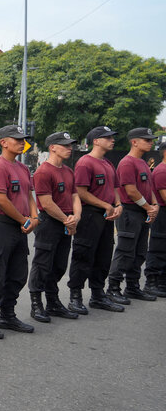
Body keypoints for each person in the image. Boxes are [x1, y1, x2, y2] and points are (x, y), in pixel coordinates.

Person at [0, 125, 38, 340]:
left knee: (18, 273)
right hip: (0, 225)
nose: (22, 143)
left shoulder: (22, 168)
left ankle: (7, 314)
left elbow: (29, 195)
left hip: (19, 226)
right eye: (17, 139)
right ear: (3, 142)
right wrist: (24, 219)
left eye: (23, 139)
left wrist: (34, 217)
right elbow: (1, 200)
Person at [68, 126, 125, 313]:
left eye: (112, 137)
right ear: (96, 141)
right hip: (91, 215)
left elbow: (116, 188)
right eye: (107, 137)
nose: (112, 140)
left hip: (107, 215)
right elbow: (81, 193)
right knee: (83, 255)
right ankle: (75, 296)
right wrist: (106, 205)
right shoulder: (85, 163)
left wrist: (118, 204)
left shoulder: (108, 164)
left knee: (103, 256)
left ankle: (98, 295)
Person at [28, 132, 83, 323]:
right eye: (65, 145)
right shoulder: (44, 171)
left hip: (66, 221)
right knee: (42, 265)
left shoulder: (68, 171)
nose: (70, 148)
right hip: (50, 222)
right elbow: (47, 203)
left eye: (70, 145)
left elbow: (75, 196)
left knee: (59, 265)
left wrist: (76, 217)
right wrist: (67, 220)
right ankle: (37, 304)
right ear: (53, 147)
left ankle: (52, 301)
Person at [108, 127, 160, 302]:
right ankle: (113, 288)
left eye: (151, 139)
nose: (150, 142)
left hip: (142, 210)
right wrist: (148, 207)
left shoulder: (143, 163)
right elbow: (130, 190)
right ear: (134, 141)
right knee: (125, 251)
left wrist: (154, 204)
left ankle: (132, 286)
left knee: (139, 252)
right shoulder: (127, 163)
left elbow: (149, 188)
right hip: (130, 212)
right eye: (147, 140)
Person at [144, 140, 166, 297]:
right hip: (162, 215)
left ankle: (162, 282)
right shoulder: (162, 171)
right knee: (158, 248)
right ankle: (151, 283)